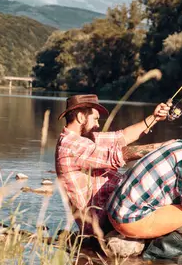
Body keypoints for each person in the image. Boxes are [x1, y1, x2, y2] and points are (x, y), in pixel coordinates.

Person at [55, 94, 171, 238]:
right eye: (95, 119)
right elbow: (117, 155)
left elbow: (122, 137)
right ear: (80, 117)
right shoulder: (71, 146)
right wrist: (162, 148)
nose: (98, 124)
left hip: (112, 214)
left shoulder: (85, 138)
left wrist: (154, 118)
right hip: (102, 224)